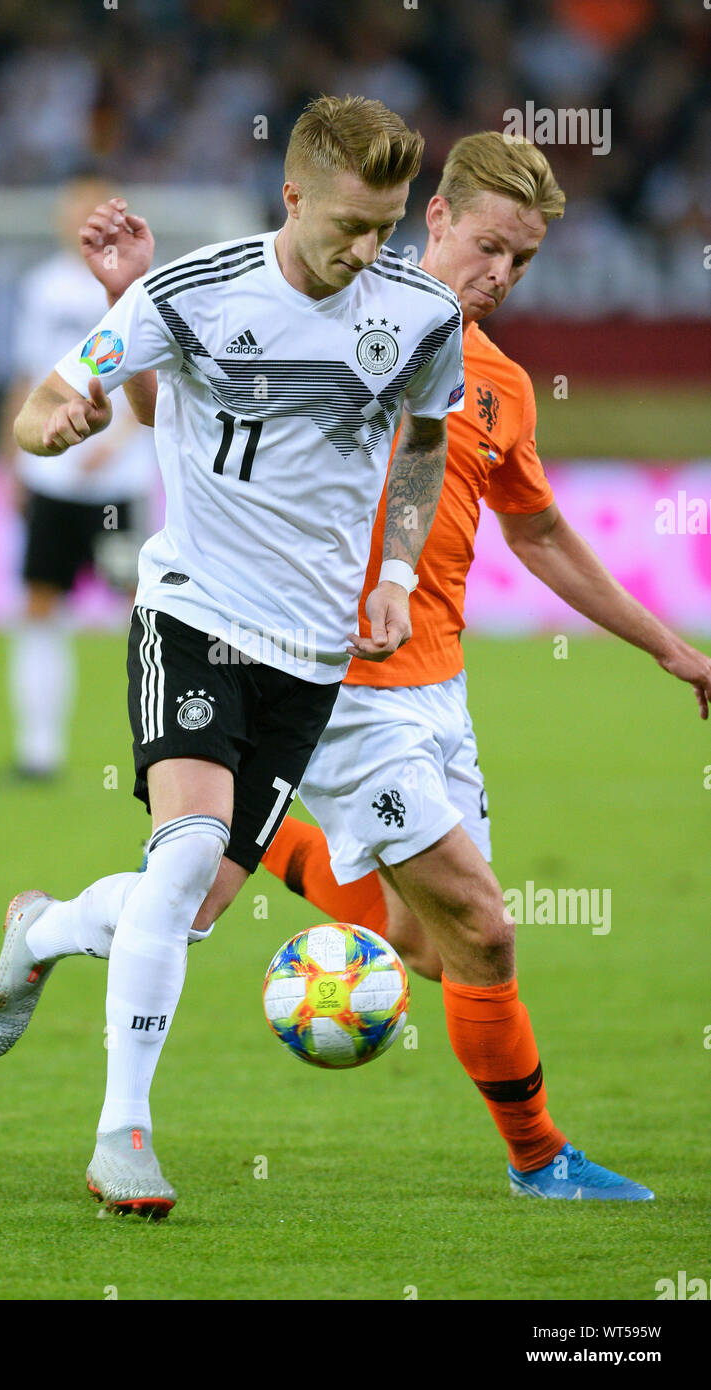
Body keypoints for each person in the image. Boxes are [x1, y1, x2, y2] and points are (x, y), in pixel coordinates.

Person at [0, 95, 467, 1216]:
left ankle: (41, 931)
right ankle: (121, 1137)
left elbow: (427, 442)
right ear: (291, 197)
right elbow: (64, 390)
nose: (367, 248)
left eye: (386, 225)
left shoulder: (422, 315)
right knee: (185, 851)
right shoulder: (194, 292)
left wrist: (392, 576)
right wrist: (51, 422)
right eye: (348, 224)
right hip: (193, 613)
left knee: (181, 908)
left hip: (313, 654)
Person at [261, 131, 711, 1201]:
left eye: (525, 261)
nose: (502, 275)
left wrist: (668, 646)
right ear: (439, 222)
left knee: (425, 941)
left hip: (438, 688)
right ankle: (541, 1157)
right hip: (341, 683)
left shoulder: (502, 383)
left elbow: (543, 533)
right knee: (487, 928)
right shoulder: (339, 326)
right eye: (491, 248)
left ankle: (262, 837)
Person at [0, 175, 158, 778]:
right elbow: (28, 377)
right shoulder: (41, 288)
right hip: (54, 482)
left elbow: (148, 368)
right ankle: (39, 752)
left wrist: (116, 439)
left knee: (144, 613)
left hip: (117, 485)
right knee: (40, 603)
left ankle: (156, 752)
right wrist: (8, 460)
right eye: (71, 210)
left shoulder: (136, 288)